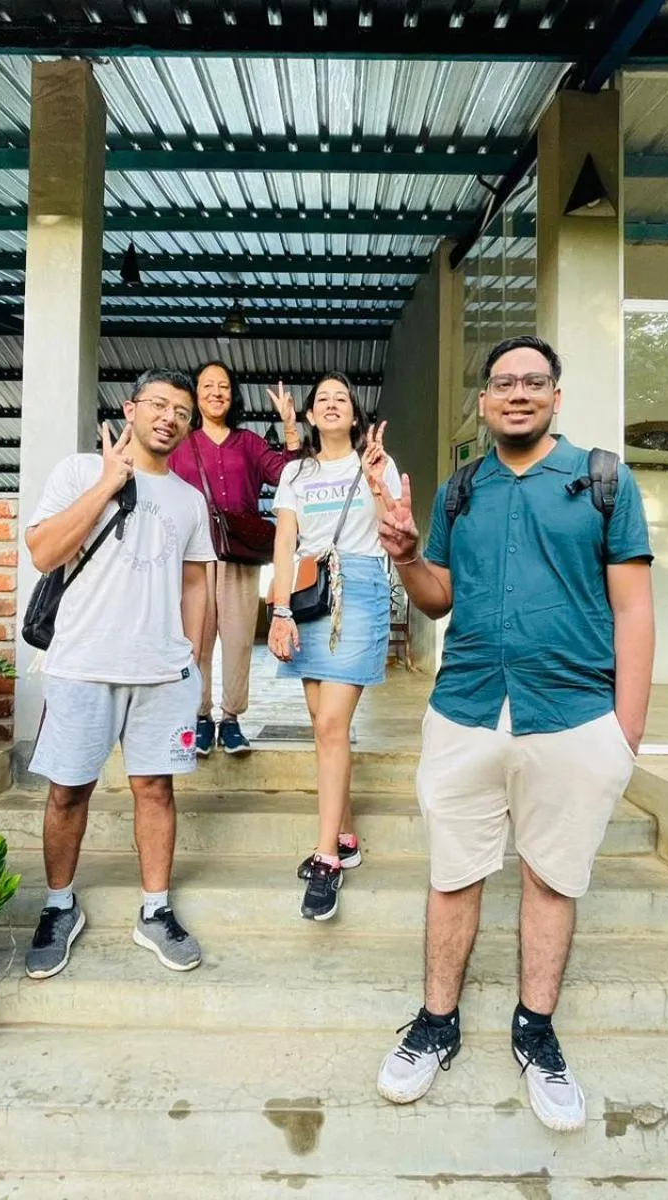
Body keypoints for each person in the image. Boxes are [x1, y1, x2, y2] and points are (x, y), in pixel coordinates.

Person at [371, 335, 655, 1132]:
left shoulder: (601, 480)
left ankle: (536, 1031)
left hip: (571, 713)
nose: (519, 393)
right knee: (454, 873)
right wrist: (402, 556)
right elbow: (436, 599)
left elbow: (634, 607)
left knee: (550, 877)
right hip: (464, 709)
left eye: (534, 381)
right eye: (504, 383)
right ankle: (436, 1024)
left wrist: (624, 732)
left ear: (556, 396)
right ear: (485, 403)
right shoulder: (462, 489)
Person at [22, 368, 216, 979]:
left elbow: (194, 584)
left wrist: (193, 662)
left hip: (162, 674)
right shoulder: (80, 472)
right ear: (130, 410)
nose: (169, 417)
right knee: (67, 790)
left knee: (156, 790)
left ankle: (154, 911)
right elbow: (44, 552)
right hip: (82, 666)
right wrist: (109, 483)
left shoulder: (190, 500)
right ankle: (59, 905)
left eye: (181, 412)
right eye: (158, 404)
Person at [266, 372, 402, 922]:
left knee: (329, 728)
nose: (330, 404)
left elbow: (396, 524)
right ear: (312, 414)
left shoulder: (376, 462)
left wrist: (375, 481)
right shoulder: (296, 471)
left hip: (362, 591)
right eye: (322, 398)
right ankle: (344, 835)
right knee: (325, 723)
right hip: (306, 594)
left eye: (340, 398)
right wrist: (277, 610)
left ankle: (326, 860)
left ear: (355, 414)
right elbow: (284, 541)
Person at [168, 361, 302, 757]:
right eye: (207, 385)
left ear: (233, 394)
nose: (215, 392)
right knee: (197, 640)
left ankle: (231, 720)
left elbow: (287, 476)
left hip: (239, 555)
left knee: (240, 639)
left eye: (223, 386)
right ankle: (201, 717)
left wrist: (290, 426)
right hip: (192, 557)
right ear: (195, 394)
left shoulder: (249, 443)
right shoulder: (180, 443)